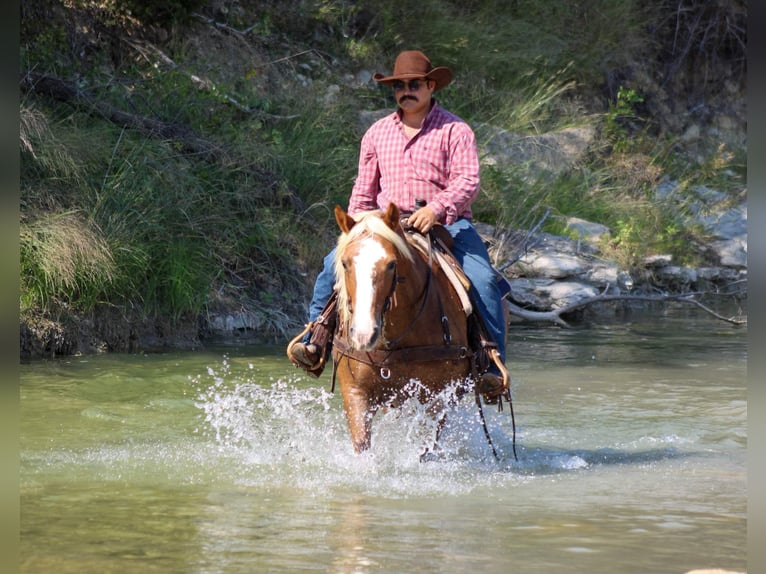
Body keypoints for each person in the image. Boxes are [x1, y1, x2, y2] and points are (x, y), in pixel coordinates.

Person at [288, 50, 507, 400]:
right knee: (333, 264)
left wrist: (436, 208)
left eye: (414, 84)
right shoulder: (377, 133)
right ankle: (316, 336)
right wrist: (357, 224)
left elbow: (468, 181)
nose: (407, 90)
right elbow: (363, 189)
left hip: (446, 224)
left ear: (430, 85)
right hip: (385, 224)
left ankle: (491, 363)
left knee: (482, 281)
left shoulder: (455, 129)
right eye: (399, 85)